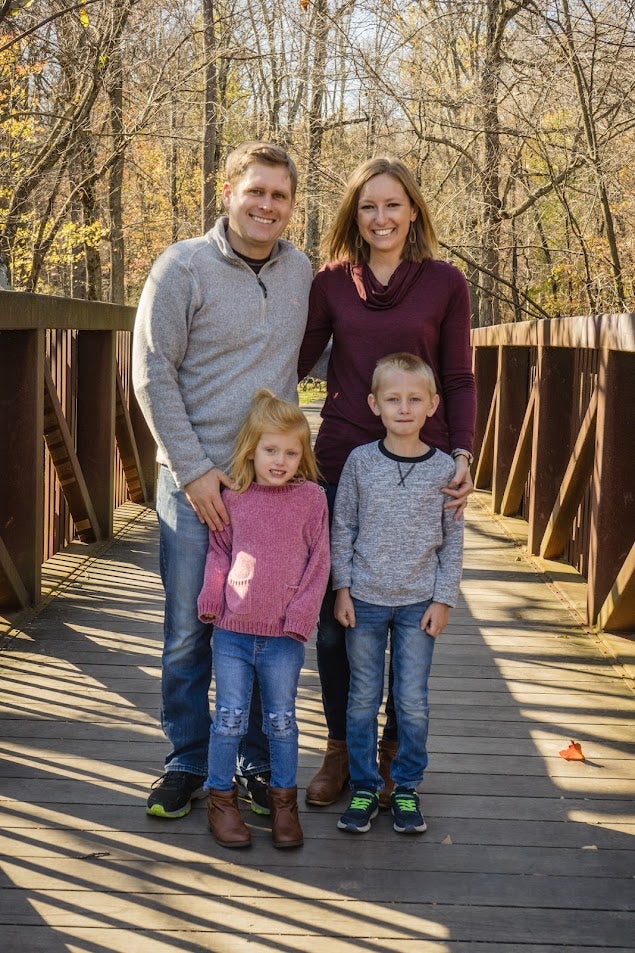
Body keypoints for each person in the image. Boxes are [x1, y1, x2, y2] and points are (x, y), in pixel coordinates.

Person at [133, 142, 313, 819]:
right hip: (194, 484)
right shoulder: (181, 268)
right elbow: (151, 376)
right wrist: (195, 471)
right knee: (189, 628)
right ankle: (185, 757)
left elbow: (330, 344)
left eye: (279, 195)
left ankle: (254, 761)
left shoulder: (300, 271)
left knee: (264, 626)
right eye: (256, 191)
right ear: (229, 191)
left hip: (271, 490)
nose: (267, 205)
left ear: (292, 206)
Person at [297, 157, 476, 809]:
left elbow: (457, 377)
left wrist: (461, 451)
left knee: (408, 614)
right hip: (342, 460)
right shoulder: (328, 284)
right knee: (332, 620)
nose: (381, 218)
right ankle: (342, 749)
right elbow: (287, 364)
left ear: (413, 213)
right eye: (368, 206)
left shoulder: (444, 283)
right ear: (354, 216)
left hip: (421, 469)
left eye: (393, 205)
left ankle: (395, 749)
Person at [331, 353, 464, 834]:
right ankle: (365, 786)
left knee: (411, 700)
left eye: (414, 399)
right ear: (374, 404)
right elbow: (341, 527)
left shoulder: (445, 468)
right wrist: (341, 589)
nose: (403, 408)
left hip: (418, 604)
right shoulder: (360, 462)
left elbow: (453, 542)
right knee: (363, 698)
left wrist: (444, 599)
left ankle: (405, 787)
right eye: (393, 399)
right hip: (364, 599)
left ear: (432, 404)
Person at [198, 390, 330, 848]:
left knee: (281, 721)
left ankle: (283, 804)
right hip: (232, 632)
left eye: (291, 452)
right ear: (251, 450)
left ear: (302, 455)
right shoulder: (234, 497)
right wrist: (211, 599)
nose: (280, 460)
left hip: (283, 639)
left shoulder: (311, 499)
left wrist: (300, 617)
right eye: (271, 450)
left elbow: (320, 564)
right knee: (229, 719)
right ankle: (220, 799)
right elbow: (219, 552)